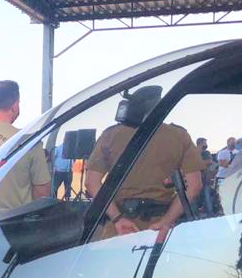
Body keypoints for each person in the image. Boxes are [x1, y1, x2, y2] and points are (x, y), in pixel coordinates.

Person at [85, 86, 204, 242]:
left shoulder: (110, 135)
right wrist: (166, 221)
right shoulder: (179, 136)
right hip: (161, 228)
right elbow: (195, 185)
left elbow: (91, 183)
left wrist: (117, 218)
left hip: (119, 229)